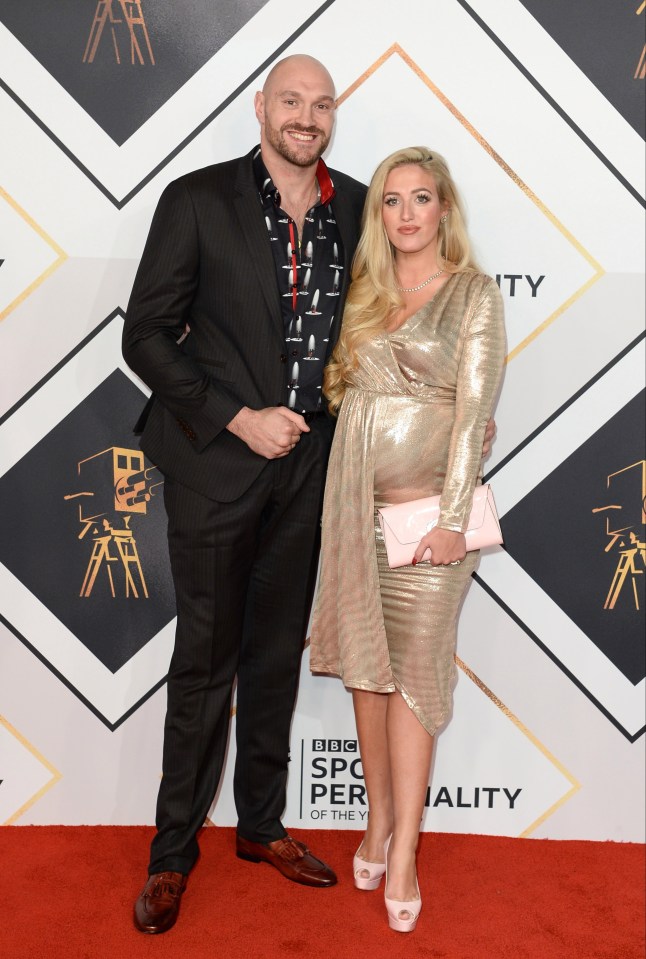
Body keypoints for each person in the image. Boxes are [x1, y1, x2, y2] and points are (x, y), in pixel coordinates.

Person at [122, 54, 367, 934]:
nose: (306, 116)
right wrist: (236, 417)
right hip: (217, 463)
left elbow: (387, 326)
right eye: (291, 101)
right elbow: (145, 335)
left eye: (322, 103)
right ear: (260, 107)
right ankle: (171, 854)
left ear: (335, 115)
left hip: (311, 467)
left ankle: (261, 826)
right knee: (205, 662)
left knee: (273, 658)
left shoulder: (359, 206)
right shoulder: (195, 199)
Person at [310, 147, 506, 934]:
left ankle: (406, 854)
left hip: (432, 524)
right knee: (367, 675)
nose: (407, 214)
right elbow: (334, 389)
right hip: (357, 511)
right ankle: (378, 820)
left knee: (415, 684)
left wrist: (453, 519)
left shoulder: (474, 296)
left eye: (422, 198)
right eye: (391, 201)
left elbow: (472, 414)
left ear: (444, 209)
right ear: (379, 216)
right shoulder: (362, 294)